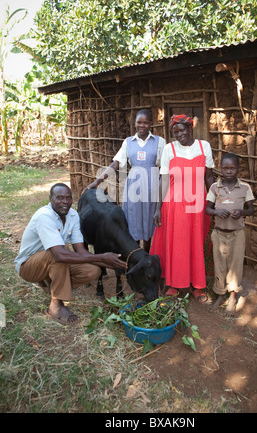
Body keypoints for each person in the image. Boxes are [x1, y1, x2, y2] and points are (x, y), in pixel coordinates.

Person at [14, 183, 126, 326]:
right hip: (28, 266)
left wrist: (113, 263)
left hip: (50, 263)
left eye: (68, 198)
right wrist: (100, 257)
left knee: (93, 270)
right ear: (50, 199)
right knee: (56, 255)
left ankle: (52, 286)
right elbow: (59, 255)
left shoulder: (72, 215)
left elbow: (81, 252)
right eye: (59, 198)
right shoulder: (44, 216)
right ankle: (56, 306)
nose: (65, 202)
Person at [150, 114, 215, 301]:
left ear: (190, 128)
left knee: (197, 243)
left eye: (182, 130)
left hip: (198, 206)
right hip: (174, 205)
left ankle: (198, 286)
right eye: (175, 132)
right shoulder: (169, 149)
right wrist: (157, 208)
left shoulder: (204, 147)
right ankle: (173, 284)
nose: (178, 135)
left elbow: (209, 177)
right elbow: (163, 181)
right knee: (176, 244)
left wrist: (216, 201)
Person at [83, 109, 166, 253]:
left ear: (150, 124)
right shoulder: (128, 142)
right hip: (133, 185)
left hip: (152, 185)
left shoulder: (160, 142)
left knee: (149, 219)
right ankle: (134, 254)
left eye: (145, 123)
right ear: (134, 123)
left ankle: (146, 254)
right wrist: (96, 182)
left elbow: (165, 167)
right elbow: (116, 164)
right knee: (133, 219)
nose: (142, 125)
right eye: (139, 122)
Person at [205, 152, 255, 315]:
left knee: (235, 265)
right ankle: (220, 295)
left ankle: (232, 297)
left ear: (238, 169)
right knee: (219, 264)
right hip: (219, 233)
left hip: (237, 234)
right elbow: (207, 209)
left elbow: (252, 209)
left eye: (232, 168)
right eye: (225, 168)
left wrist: (241, 212)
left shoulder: (245, 187)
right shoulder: (215, 187)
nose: (228, 171)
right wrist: (217, 212)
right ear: (220, 169)